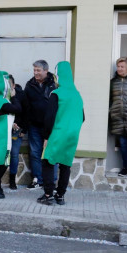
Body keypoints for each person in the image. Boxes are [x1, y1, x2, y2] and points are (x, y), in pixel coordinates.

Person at [37, 61, 84, 205]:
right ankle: (60, 195)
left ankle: (48, 194)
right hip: (72, 135)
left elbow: (49, 118)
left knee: (48, 161)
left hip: (57, 133)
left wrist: (46, 136)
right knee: (65, 164)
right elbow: (83, 117)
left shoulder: (56, 93)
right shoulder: (77, 95)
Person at [24, 60, 56, 189]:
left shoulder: (54, 84)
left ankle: (51, 181)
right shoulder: (30, 84)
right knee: (35, 153)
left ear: (46, 71)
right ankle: (38, 180)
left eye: (38, 70)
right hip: (34, 125)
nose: (35, 73)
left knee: (50, 153)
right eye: (34, 70)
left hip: (51, 126)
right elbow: (25, 104)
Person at [6, 75, 28, 190]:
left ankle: (12, 180)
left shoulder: (21, 95)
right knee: (3, 154)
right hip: (4, 131)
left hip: (16, 132)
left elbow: (26, 113)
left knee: (14, 155)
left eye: (10, 84)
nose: (8, 87)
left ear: (14, 85)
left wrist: (23, 128)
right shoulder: (1, 96)